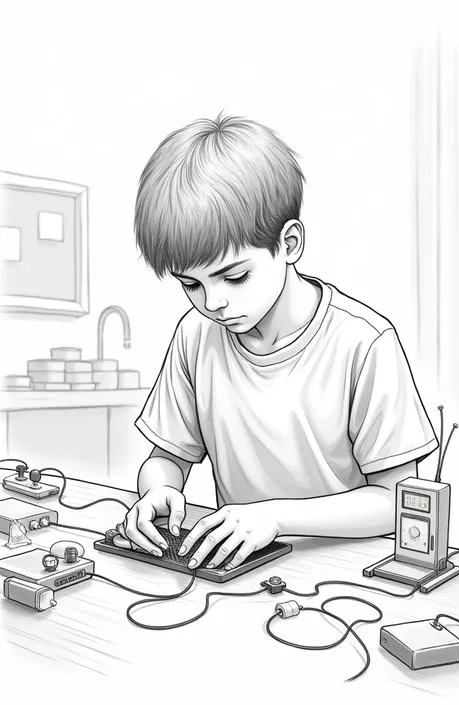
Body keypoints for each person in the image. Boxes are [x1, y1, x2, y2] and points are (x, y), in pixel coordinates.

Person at [122, 113, 438, 573]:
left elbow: (396, 502)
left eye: (234, 277)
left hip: (344, 577)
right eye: (191, 285)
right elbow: (167, 456)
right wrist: (158, 490)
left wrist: (275, 517)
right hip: (237, 573)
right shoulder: (196, 338)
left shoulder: (363, 343)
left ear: (289, 243)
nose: (213, 303)